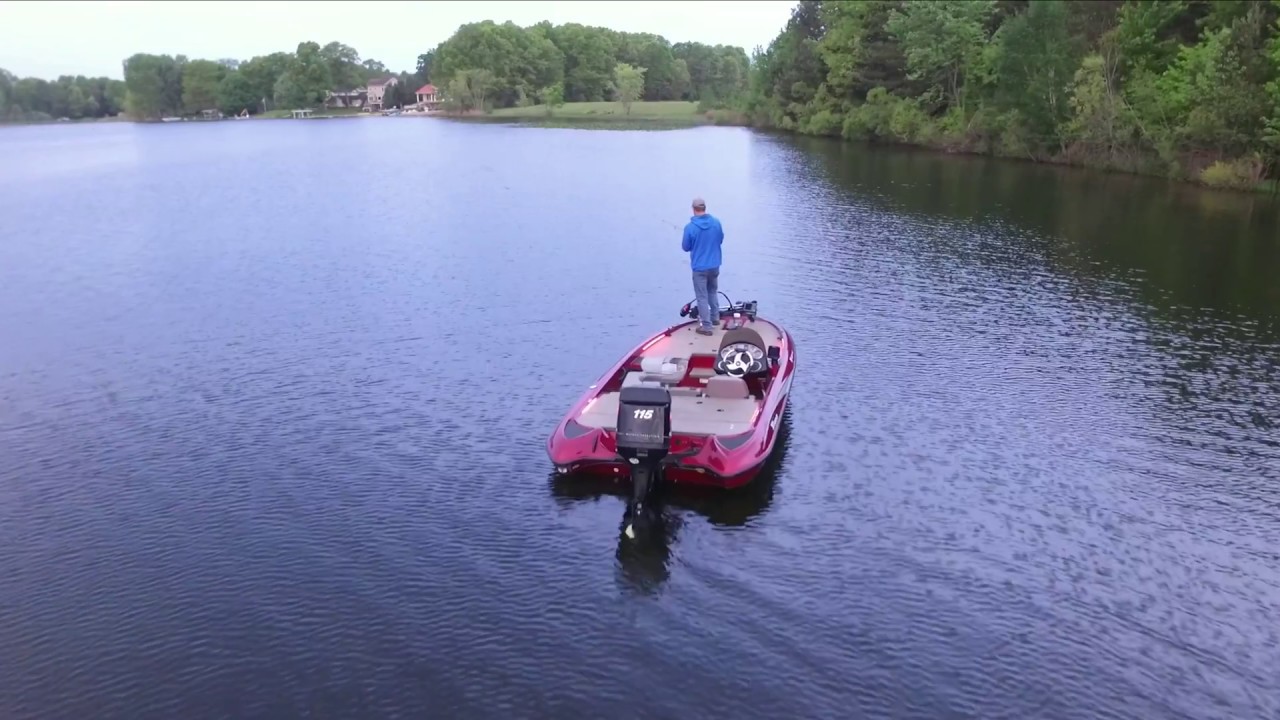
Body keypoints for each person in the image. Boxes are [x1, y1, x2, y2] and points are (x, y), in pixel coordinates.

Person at [681, 196, 724, 336]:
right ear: (704, 208)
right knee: (712, 291)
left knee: (702, 297)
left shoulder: (690, 228)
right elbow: (721, 239)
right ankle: (715, 318)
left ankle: (706, 327)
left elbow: (685, 247)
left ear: (694, 210)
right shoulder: (716, 223)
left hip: (700, 268)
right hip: (714, 265)